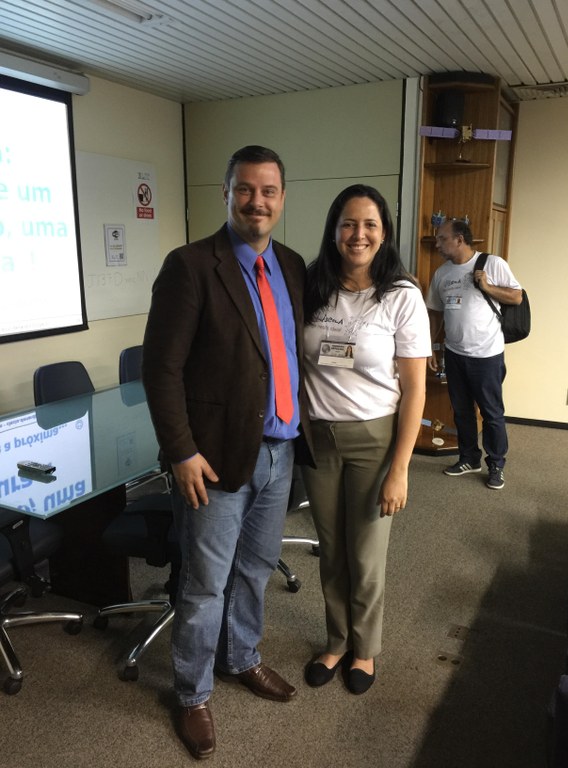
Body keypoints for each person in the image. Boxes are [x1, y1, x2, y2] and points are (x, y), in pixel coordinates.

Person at [141, 145, 313, 760]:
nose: (257, 202)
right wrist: (180, 450)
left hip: (280, 451)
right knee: (205, 583)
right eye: (245, 189)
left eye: (268, 191)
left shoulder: (291, 265)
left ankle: (242, 658)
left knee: (255, 570)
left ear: (282, 198)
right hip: (212, 459)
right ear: (227, 193)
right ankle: (191, 694)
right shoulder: (190, 266)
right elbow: (161, 369)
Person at [301, 184, 430, 695]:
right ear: (334, 231)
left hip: (375, 440)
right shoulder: (311, 286)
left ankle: (365, 649)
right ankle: (336, 641)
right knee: (331, 552)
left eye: (370, 225)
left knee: (366, 553)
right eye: (348, 224)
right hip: (318, 439)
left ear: (384, 233)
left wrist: (400, 468)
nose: (358, 235)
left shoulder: (401, 296)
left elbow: (416, 389)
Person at [426, 218, 523, 490]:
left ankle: (496, 464)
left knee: (491, 413)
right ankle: (469, 458)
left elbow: (516, 297)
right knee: (461, 411)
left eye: (442, 238)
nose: (437, 244)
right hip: (455, 354)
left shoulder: (492, 263)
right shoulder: (441, 273)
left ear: (459, 239)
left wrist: (488, 287)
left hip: (487, 355)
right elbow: (434, 312)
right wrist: (431, 346)